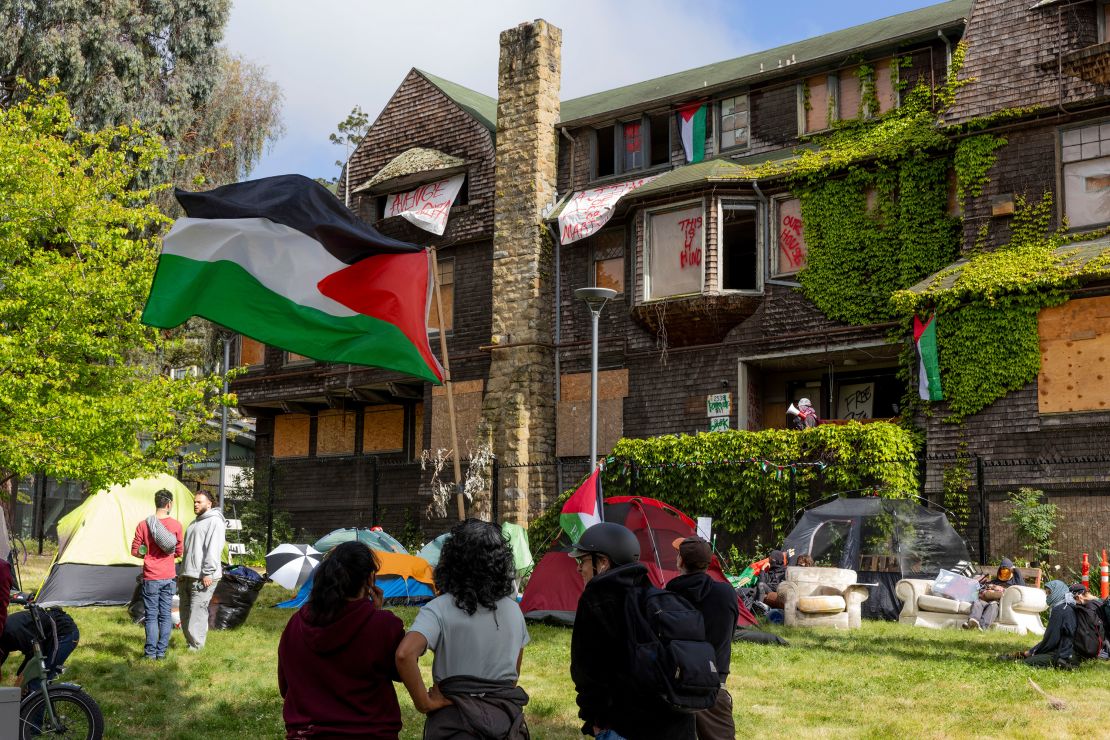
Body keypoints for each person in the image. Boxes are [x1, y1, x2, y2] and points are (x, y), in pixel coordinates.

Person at [396, 519, 530, 739]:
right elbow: (511, 679)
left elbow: (404, 654)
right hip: (505, 725)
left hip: (454, 724)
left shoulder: (438, 609)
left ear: (452, 560)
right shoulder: (515, 612)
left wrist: (424, 703)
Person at [570, 522, 696, 740]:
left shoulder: (596, 600)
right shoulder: (655, 595)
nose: (579, 568)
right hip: (677, 723)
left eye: (582, 560)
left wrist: (595, 721)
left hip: (625, 726)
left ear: (602, 562)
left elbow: (585, 672)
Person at [278, 541, 405, 739]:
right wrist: (375, 615)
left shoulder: (295, 624)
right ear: (370, 580)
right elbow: (402, 670)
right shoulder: (384, 626)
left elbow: (285, 687)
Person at [666, 537, 738, 740]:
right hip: (715, 684)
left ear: (680, 561)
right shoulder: (726, 593)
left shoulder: (667, 596)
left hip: (676, 685)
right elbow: (729, 633)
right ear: (708, 562)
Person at [130, 487, 183, 659]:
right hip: (168, 576)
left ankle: (150, 654)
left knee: (151, 616)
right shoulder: (176, 525)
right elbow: (179, 551)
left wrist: (147, 553)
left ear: (156, 503)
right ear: (169, 504)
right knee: (165, 615)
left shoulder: (144, 525)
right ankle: (161, 653)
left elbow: (135, 551)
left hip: (151, 577)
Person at [179, 490, 226, 651]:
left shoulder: (215, 522)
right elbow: (188, 551)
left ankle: (197, 646)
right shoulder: (194, 523)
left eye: (199, 502)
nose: (195, 504)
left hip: (204, 576)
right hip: (188, 574)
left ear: (209, 504)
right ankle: (190, 643)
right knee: (185, 611)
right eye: (194, 502)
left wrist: (208, 572)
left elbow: (214, 549)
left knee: (197, 612)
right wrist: (182, 572)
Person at [0, 606, 79, 694]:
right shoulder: (4, 636)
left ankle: (36, 705)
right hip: (46, 638)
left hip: (64, 633)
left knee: (36, 682)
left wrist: (18, 684)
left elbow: (36, 655)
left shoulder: (12, 632)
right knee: (26, 683)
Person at [1008, 580, 1077, 670]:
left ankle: (1065, 665)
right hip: (1071, 652)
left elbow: (1051, 640)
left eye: (1049, 593)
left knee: (1024, 663)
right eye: (1047, 593)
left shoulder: (1059, 610)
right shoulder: (1068, 606)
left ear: (1058, 592)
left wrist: (1032, 652)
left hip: (1063, 654)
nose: (1047, 596)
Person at [963, 557, 1023, 631]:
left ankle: (982, 627)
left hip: (997, 602)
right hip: (985, 600)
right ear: (999, 571)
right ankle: (972, 622)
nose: (1004, 572)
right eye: (1002, 570)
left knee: (993, 605)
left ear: (1010, 571)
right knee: (977, 603)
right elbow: (981, 589)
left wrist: (1015, 570)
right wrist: (991, 586)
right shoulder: (994, 581)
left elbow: (1022, 587)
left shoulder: (1013, 583)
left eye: (1006, 570)